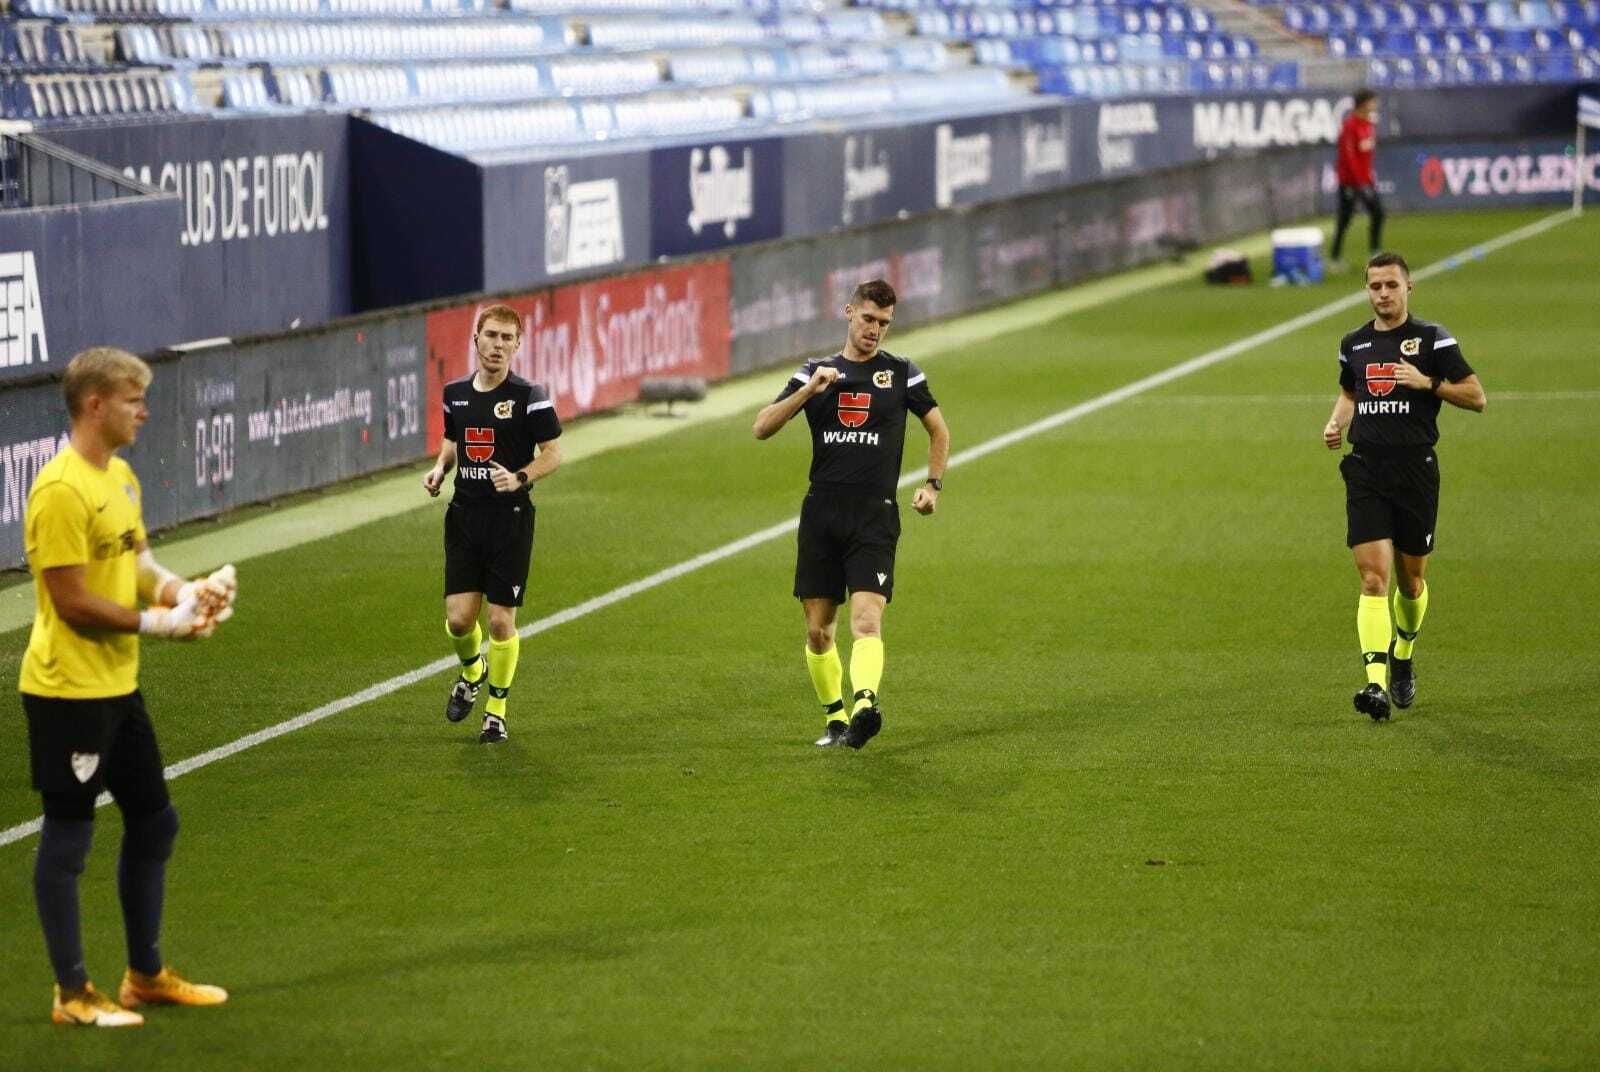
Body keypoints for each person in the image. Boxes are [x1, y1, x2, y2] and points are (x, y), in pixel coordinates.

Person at [19, 347, 236, 1027]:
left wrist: (184, 590)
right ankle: (72, 994)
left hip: (118, 685)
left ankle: (144, 976)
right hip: (66, 693)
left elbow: (138, 563)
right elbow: (72, 600)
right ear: (94, 405)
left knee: (154, 820)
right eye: (132, 399)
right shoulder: (60, 491)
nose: (144, 411)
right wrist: (161, 624)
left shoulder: (121, 478)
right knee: (69, 839)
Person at [753, 279, 950, 750]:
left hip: (873, 516)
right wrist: (809, 392)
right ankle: (836, 719)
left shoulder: (902, 373)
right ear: (848, 312)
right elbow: (761, 427)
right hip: (822, 513)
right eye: (868, 319)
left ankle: (865, 706)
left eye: (884, 323)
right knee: (819, 630)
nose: (875, 330)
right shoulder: (815, 372)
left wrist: (932, 485)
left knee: (867, 619)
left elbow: (939, 432)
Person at [1322, 253, 1485, 720]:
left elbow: (1476, 397)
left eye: (1391, 285)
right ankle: (1373, 685)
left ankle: (1404, 655)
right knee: (1374, 578)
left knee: (1412, 584)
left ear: (1409, 288)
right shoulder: (1353, 344)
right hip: (1367, 471)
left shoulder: (1433, 339)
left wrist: (1428, 382)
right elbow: (1351, 391)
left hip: (1416, 472)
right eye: (1375, 286)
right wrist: (1335, 423)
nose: (1383, 294)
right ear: (1367, 291)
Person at [424, 304, 563, 744]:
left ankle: (496, 713)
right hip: (465, 516)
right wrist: (440, 468)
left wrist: (520, 477)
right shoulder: (454, 393)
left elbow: (553, 453)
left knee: (502, 622)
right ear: (476, 340)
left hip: (510, 520)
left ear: (518, 345)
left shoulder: (530, 396)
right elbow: (453, 439)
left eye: (507, 338)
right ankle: (473, 669)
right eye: (491, 336)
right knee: (460, 621)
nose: (498, 345)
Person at [1329, 88, 1384, 269]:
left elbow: (1366, 154)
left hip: (1365, 179)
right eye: (1372, 101)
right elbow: (1348, 156)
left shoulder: (1368, 124)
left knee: (1378, 212)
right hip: (1350, 181)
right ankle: (1335, 258)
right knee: (1345, 219)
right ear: (1363, 103)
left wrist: (1367, 177)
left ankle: (1375, 252)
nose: (1375, 105)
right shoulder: (1350, 125)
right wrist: (1357, 181)